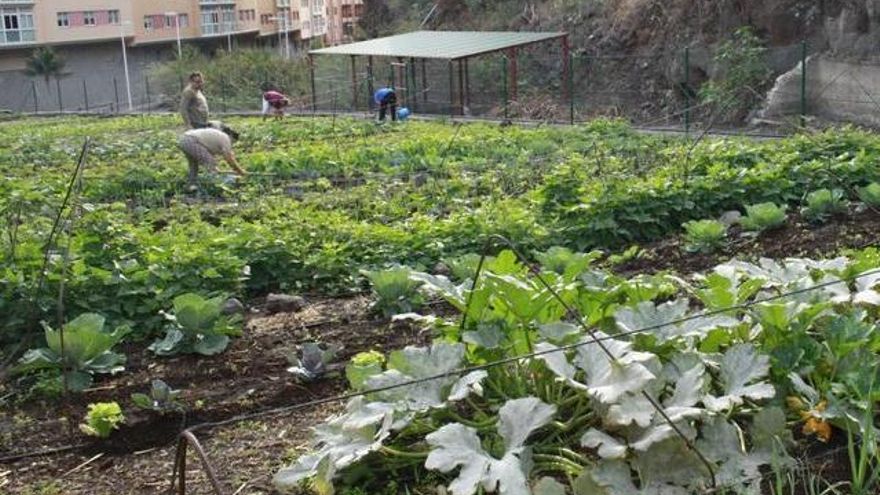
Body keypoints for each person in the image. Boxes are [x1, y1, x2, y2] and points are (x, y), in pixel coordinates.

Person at [177, 121, 246, 188]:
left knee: (194, 165)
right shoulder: (226, 138)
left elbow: (208, 152)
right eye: (233, 142)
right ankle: (215, 183)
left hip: (184, 139)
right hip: (191, 140)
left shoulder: (218, 136)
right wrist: (239, 170)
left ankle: (191, 184)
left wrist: (215, 168)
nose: (232, 144)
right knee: (210, 162)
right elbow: (229, 158)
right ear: (231, 136)